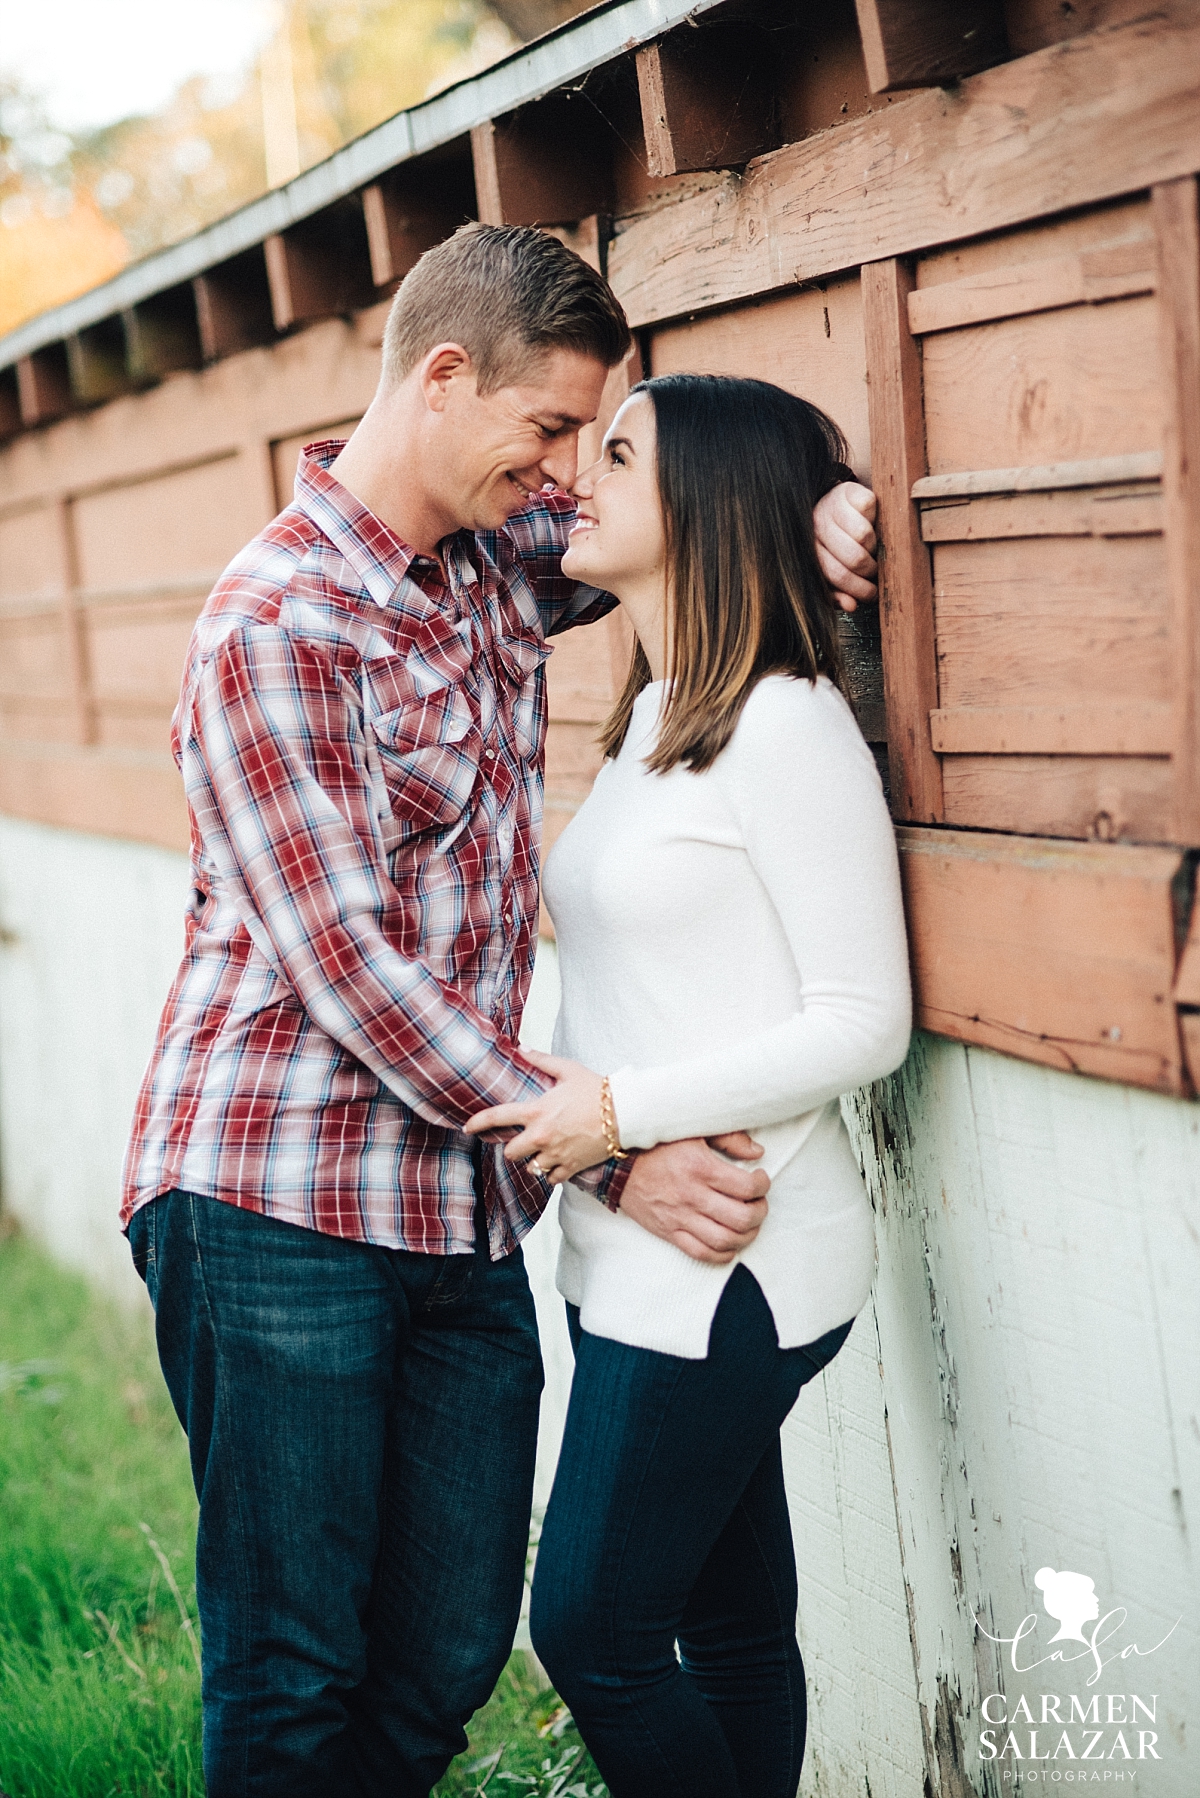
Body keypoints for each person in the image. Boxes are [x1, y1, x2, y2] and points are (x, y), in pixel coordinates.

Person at [120, 225, 880, 1798]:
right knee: (296, 1666)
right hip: (276, 1194)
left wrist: (826, 502)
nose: (561, 474)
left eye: (581, 445)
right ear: (446, 376)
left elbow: (685, 524)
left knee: (446, 1658)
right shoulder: (278, 622)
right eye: (548, 429)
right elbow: (351, 970)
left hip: (463, 1205)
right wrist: (606, 1145)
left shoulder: (490, 563)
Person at [466, 373, 911, 1798]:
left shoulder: (785, 724)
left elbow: (865, 1021)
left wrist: (616, 1113)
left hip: (735, 1249)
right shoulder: (659, 716)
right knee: (725, 1628)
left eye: (614, 453)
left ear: (708, 498)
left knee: (591, 1626)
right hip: (627, 1246)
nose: (572, 480)